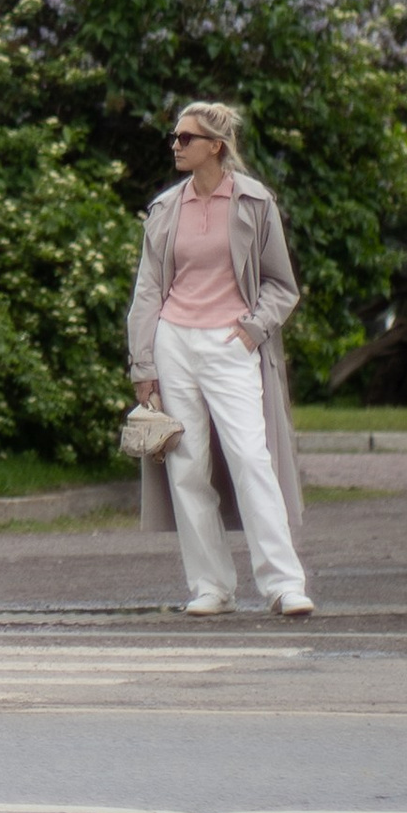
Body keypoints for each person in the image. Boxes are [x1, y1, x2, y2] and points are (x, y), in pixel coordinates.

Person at [127, 100, 315, 618]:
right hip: (174, 342)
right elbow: (148, 291)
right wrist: (142, 364)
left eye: (186, 138)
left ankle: (283, 584)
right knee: (187, 467)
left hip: (232, 344)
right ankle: (210, 586)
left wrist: (252, 331)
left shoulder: (255, 202)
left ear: (216, 146)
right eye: (174, 136)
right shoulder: (166, 208)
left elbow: (281, 284)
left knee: (252, 458)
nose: (175, 145)